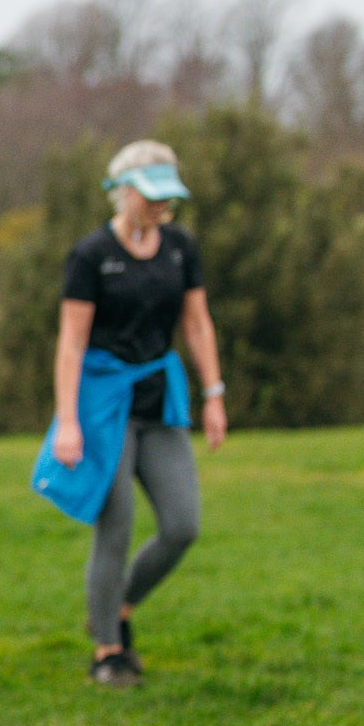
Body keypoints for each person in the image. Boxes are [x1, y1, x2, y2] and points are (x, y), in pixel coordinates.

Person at [33, 140, 225, 687]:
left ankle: (119, 606)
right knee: (114, 526)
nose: (163, 207)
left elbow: (197, 324)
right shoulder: (92, 255)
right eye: (153, 197)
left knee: (183, 525)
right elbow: (70, 343)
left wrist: (214, 393)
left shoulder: (181, 248)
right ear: (124, 192)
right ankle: (107, 652)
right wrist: (67, 421)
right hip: (99, 404)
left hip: (158, 401)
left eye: (169, 197)